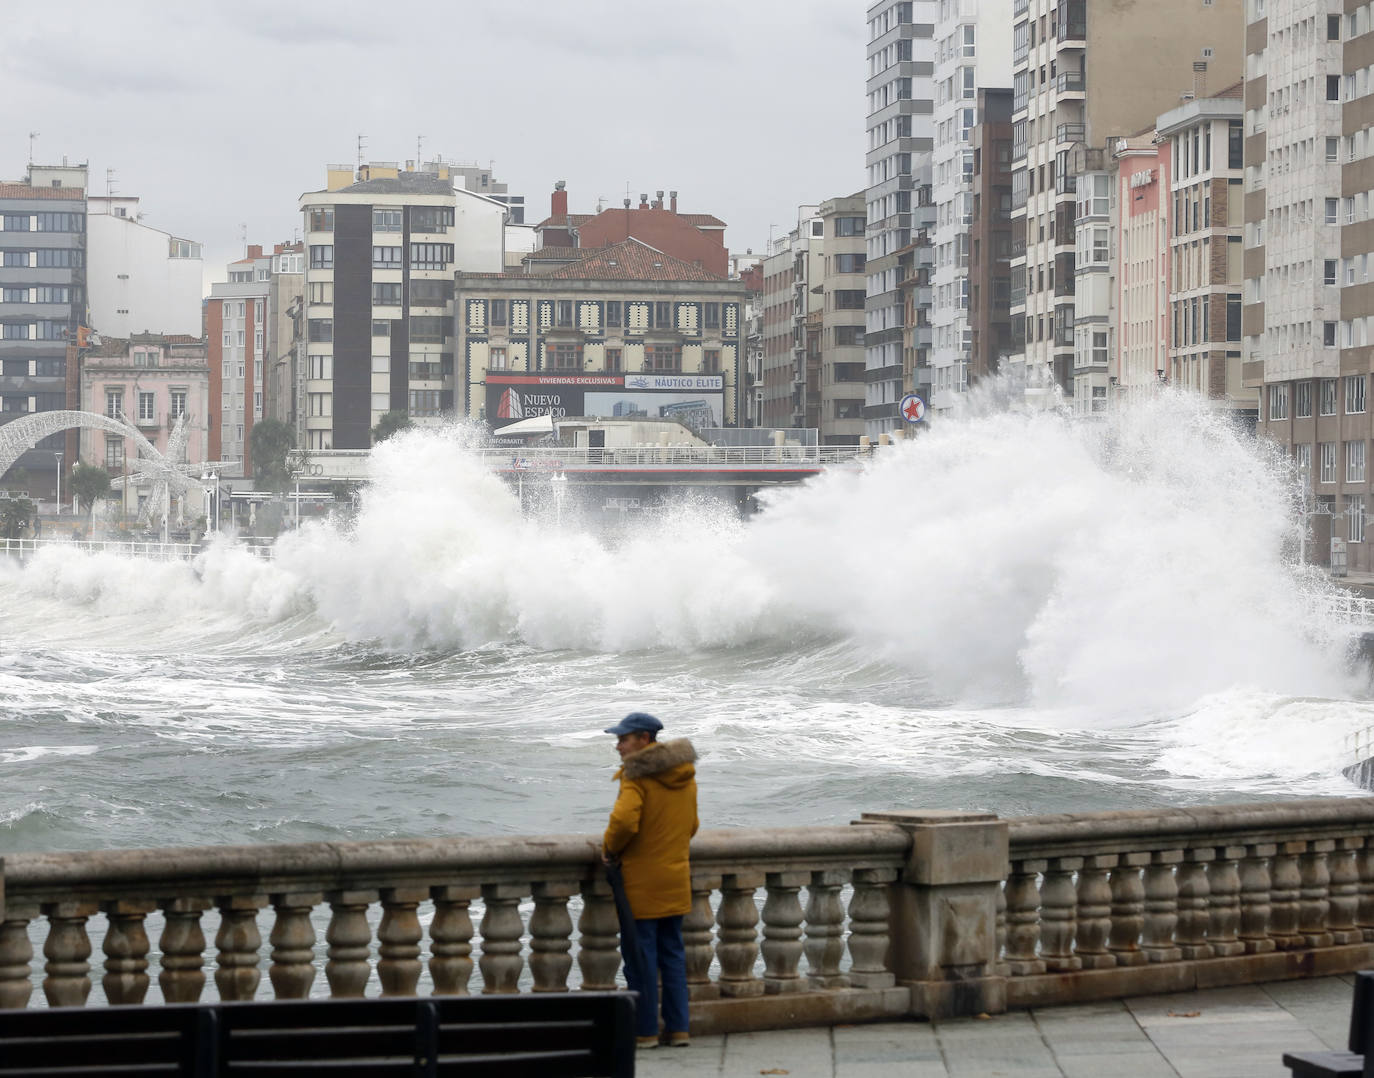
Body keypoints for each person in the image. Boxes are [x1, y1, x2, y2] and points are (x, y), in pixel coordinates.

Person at [602, 711, 698, 1050]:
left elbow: (625, 822)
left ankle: (645, 1032)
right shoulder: (684, 774)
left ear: (644, 739)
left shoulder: (636, 776)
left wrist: (609, 850)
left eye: (623, 739)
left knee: (640, 959)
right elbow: (692, 825)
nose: (618, 747)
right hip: (675, 878)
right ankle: (679, 1029)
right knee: (672, 955)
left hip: (642, 883)